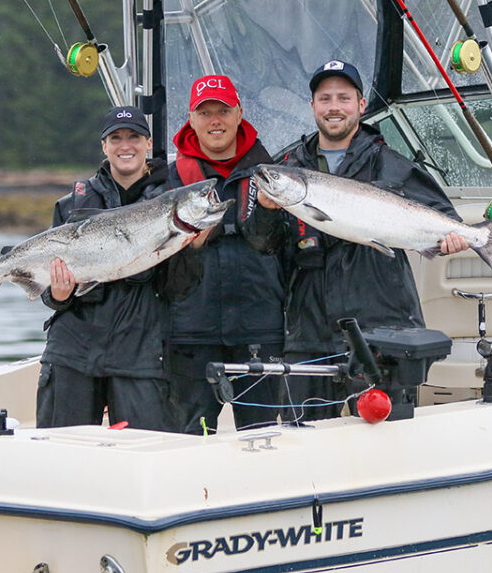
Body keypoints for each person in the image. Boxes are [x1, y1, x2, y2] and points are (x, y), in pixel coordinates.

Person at [247, 59, 468, 423]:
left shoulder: (392, 164)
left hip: (384, 326)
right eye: (325, 98)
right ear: (313, 106)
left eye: (344, 98)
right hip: (310, 331)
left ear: (361, 105)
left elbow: (445, 218)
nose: (334, 107)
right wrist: (268, 210)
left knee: (389, 435)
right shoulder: (287, 167)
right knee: (303, 438)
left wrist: (458, 238)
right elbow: (262, 244)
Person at [37, 105, 204, 431]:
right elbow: (48, 289)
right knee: (61, 455)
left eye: (134, 137)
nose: (125, 145)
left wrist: (193, 249)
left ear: (148, 143)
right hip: (72, 352)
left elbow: (180, 288)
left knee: (145, 455)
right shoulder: (72, 204)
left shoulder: (170, 204)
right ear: (104, 146)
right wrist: (57, 295)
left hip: (140, 354)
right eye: (116, 138)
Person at [166, 75, 285, 434]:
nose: (215, 120)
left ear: (239, 114)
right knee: (190, 440)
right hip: (190, 335)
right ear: (190, 118)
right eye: (205, 113)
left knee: (262, 438)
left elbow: (291, 251)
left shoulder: (277, 175)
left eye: (223, 110)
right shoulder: (168, 181)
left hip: (260, 330)